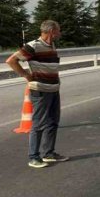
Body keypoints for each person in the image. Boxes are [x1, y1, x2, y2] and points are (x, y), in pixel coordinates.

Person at [6, 20, 69, 168]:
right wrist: (26, 75)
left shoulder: (51, 45)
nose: (60, 33)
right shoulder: (33, 46)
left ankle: (49, 153)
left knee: (53, 122)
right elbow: (11, 60)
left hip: (53, 90)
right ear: (52, 31)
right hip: (40, 91)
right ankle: (33, 157)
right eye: (58, 30)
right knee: (39, 124)